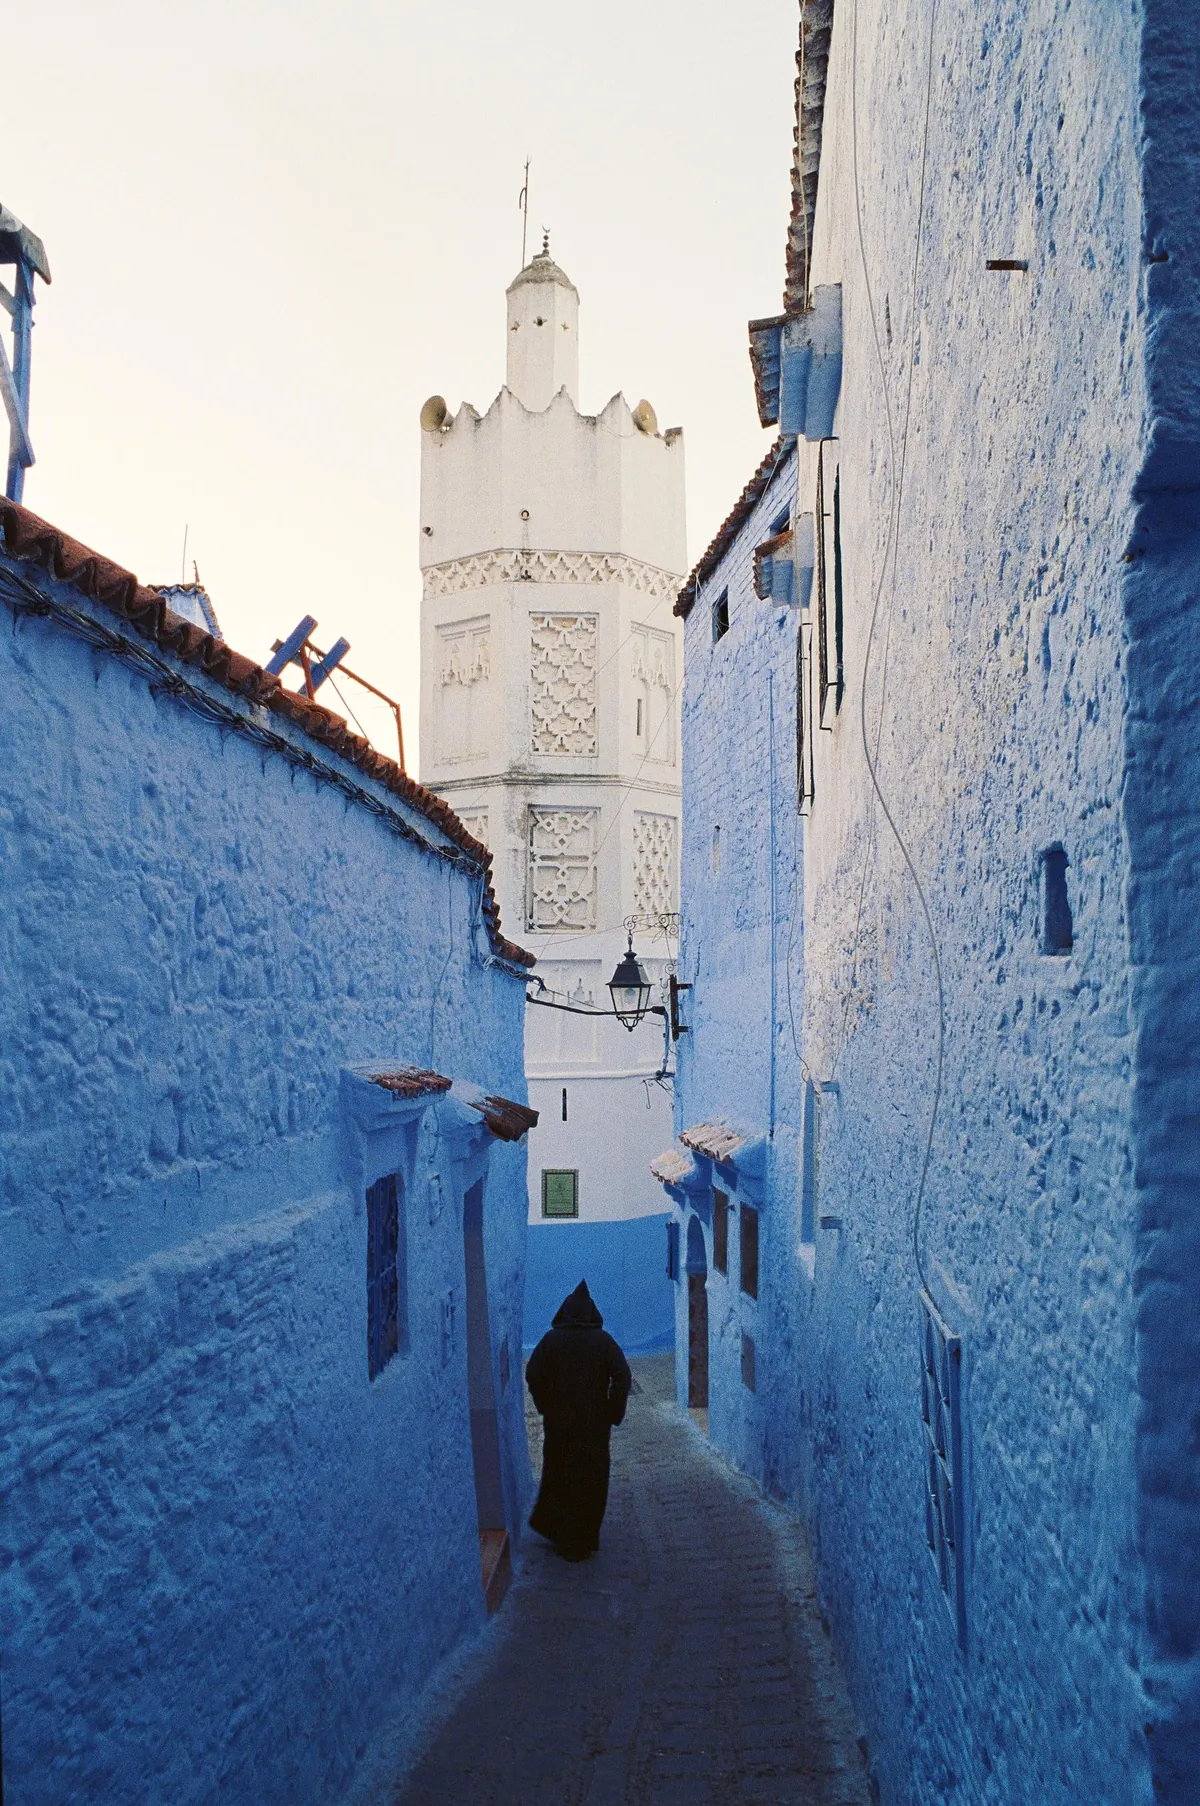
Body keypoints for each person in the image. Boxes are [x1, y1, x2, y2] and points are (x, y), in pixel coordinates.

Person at [526, 1280, 632, 1562]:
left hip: (559, 1424)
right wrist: (612, 1411)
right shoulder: (603, 1342)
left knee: (561, 1475)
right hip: (594, 1425)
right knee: (591, 1477)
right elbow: (622, 1376)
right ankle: (583, 1538)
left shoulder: (551, 1341)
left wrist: (545, 1403)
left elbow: (533, 1373)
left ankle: (563, 1536)